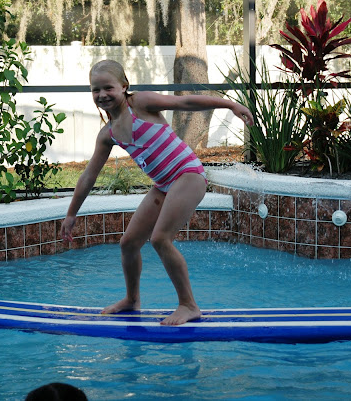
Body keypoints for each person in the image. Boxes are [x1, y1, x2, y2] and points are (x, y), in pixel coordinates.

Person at [60, 59, 253, 326]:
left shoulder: (140, 103)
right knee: (128, 243)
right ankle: (132, 300)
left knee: (160, 239)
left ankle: (189, 305)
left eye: (108, 87)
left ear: (124, 86)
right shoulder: (108, 134)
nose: (102, 94)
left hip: (188, 174)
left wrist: (230, 105)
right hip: (163, 184)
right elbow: (88, 176)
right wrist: (71, 214)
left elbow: (186, 103)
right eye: (96, 89)